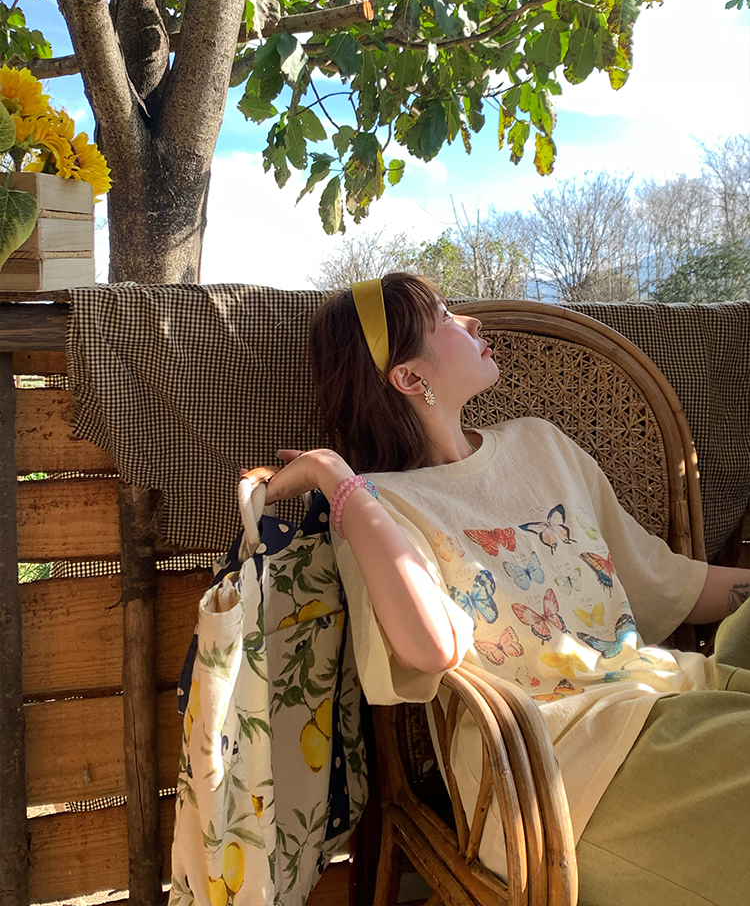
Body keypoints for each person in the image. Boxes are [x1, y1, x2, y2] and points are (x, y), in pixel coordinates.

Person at [256, 273, 750, 906]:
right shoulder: (376, 510)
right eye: (445, 317)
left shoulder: (543, 445)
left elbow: (668, 583)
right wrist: (334, 476)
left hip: (673, 697)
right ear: (409, 377)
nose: (473, 322)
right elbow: (431, 648)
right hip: (553, 777)